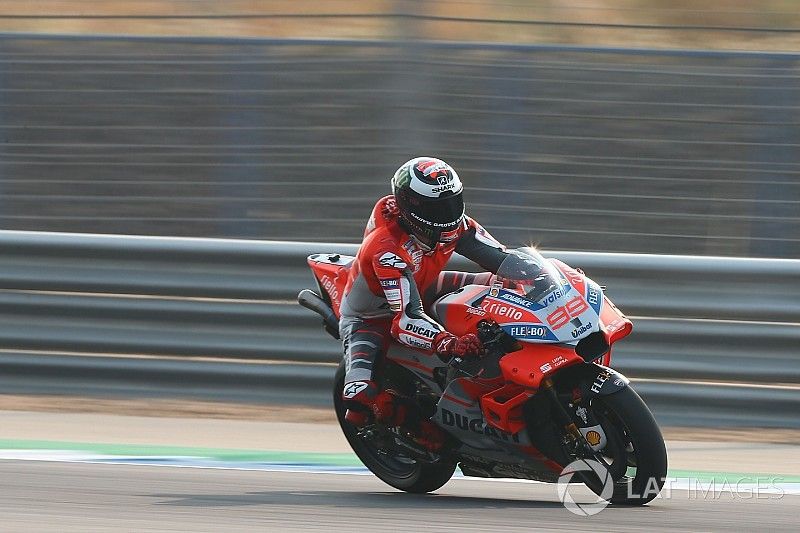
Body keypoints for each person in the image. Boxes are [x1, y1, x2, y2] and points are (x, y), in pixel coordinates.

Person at [339, 157, 509, 451]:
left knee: (503, 285)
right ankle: (412, 425)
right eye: (436, 207)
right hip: (371, 317)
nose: (447, 214)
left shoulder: (456, 225)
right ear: (410, 205)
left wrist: (542, 276)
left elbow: (503, 259)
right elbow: (404, 318)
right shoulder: (387, 250)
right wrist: (448, 342)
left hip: (424, 284)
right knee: (359, 396)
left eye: (452, 203)